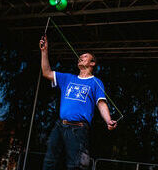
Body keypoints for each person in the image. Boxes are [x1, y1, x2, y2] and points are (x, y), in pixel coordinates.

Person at [39, 36, 117, 170]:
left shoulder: (96, 82)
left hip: (78, 129)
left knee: (76, 166)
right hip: (60, 126)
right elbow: (46, 72)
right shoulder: (68, 78)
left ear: (92, 63)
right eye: (80, 56)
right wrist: (44, 51)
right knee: (49, 162)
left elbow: (101, 103)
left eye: (85, 56)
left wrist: (108, 120)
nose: (81, 57)